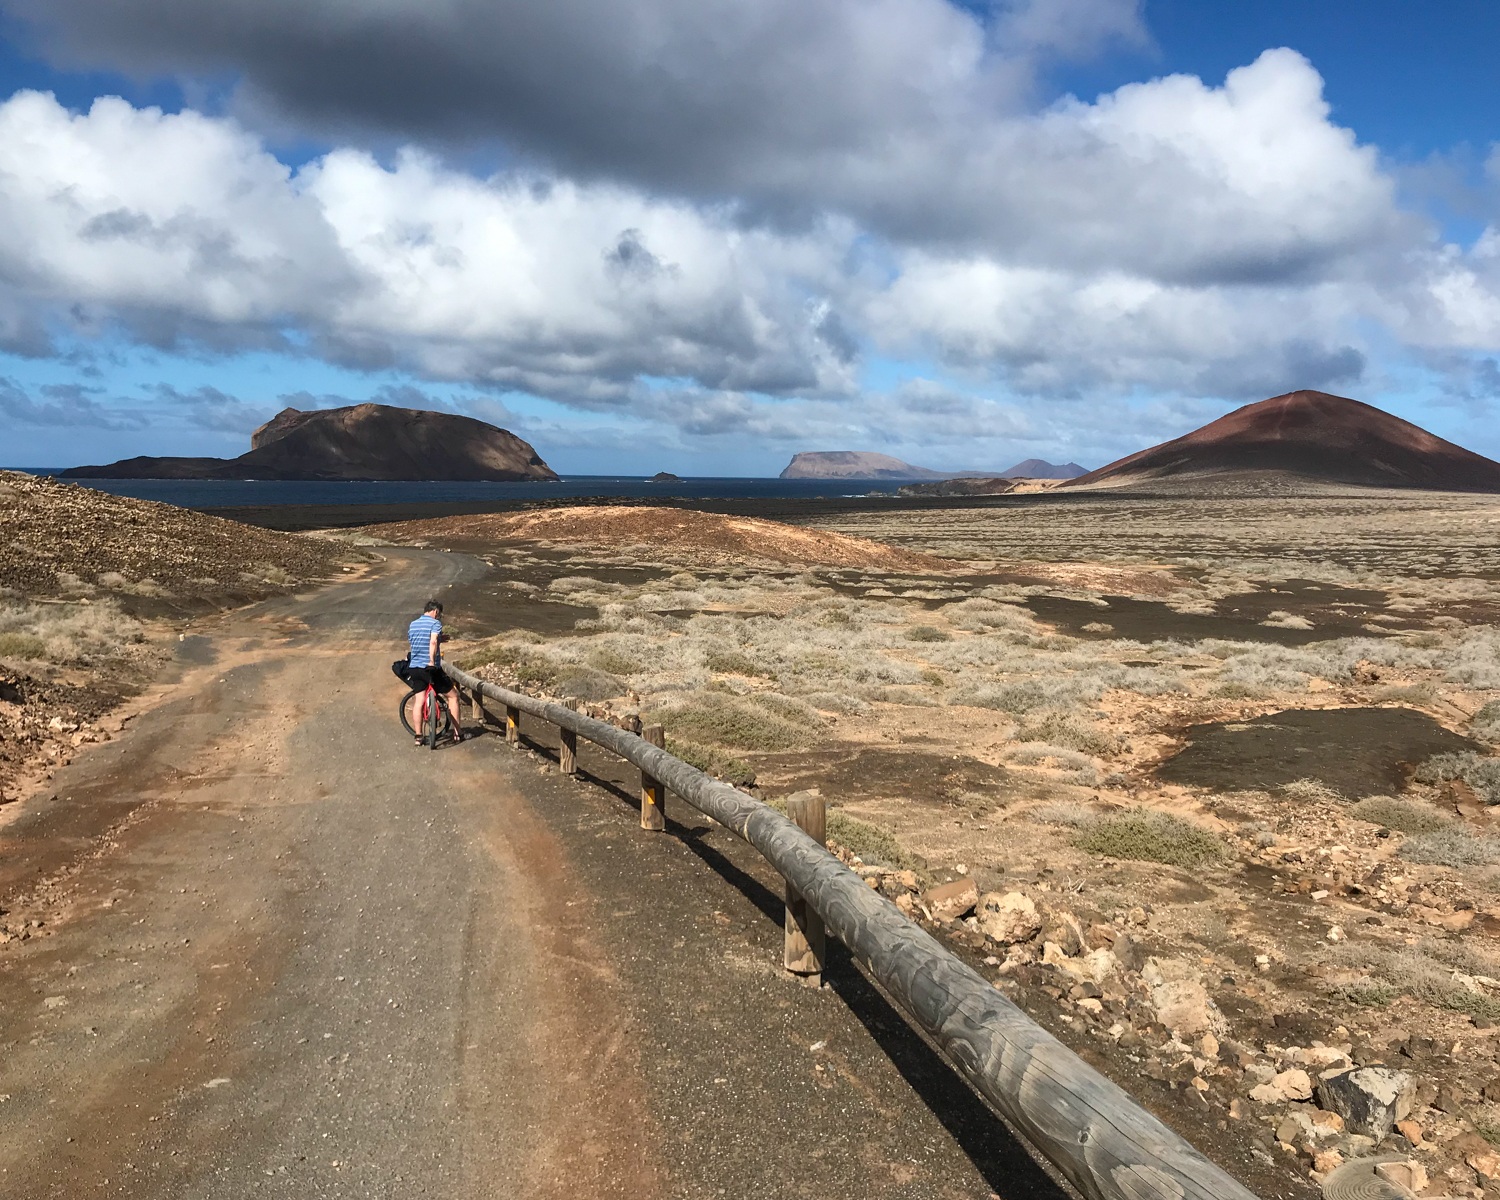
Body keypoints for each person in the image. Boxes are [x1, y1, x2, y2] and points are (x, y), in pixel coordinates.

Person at [406, 599, 465, 743]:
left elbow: (417, 642)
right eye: (439, 614)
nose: (439, 617)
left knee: (419, 700)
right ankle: (458, 733)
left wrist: (440, 640)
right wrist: (431, 661)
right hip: (430, 668)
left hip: (415, 667)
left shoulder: (413, 624)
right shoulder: (435, 624)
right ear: (436, 611)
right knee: (453, 696)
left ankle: (418, 736)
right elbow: (432, 642)